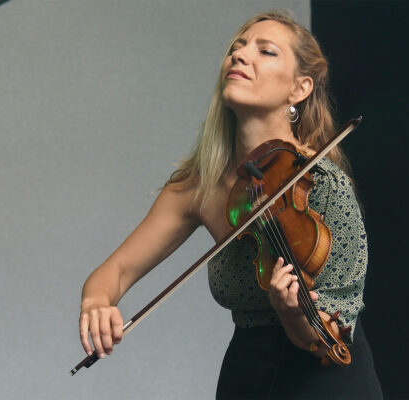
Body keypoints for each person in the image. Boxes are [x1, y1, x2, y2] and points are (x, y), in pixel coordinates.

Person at [78, 11, 382, 399]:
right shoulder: (200, 187)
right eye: (236, 49)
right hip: (247, 376)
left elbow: (331, 338)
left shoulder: (322, 183)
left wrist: (291, 311)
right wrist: (96, 303)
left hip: (324, 379)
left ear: (299, 88)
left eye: (265, 51)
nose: (240, 56)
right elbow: (115, 272)